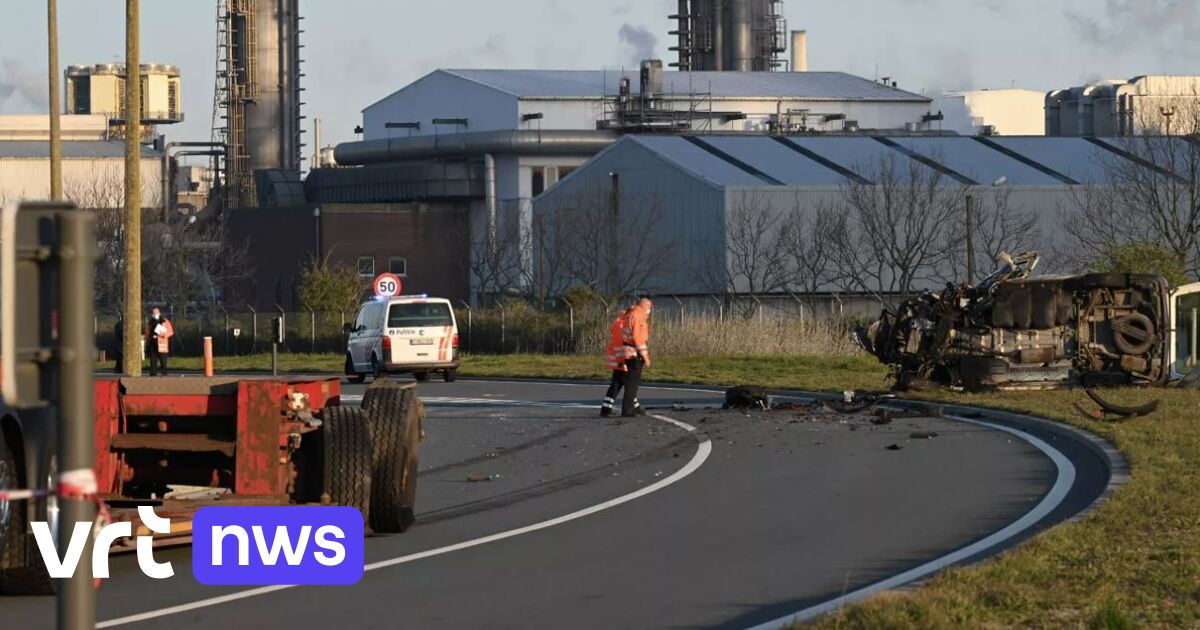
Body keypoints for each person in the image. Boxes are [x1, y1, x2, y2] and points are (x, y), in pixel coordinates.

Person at [600, 298, 653, 417]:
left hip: (621, 356)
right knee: (628, 382)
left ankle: (608, 407)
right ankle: (629, 408)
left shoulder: (623, 320)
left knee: (620, 382)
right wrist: (622, 359)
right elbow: (634, 339)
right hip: (624, 356)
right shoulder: (632, 319)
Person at [145, 307, 175, 377]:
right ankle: (153, 374)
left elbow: (170, 332)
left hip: (162, 344)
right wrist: (147, 340)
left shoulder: (165, 321)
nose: (155, 314)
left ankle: (164, 374)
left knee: (163, 361)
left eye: (156, 313)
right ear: (152, 314)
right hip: (153, 344)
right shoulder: (150, 323)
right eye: (154, 313)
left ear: (159, 313)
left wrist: (163, 334)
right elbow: (147, 333)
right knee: (153, 361)